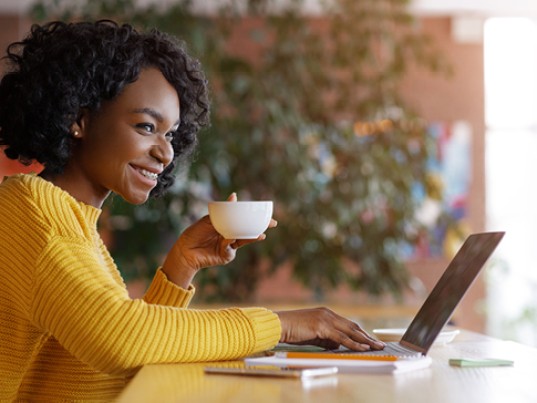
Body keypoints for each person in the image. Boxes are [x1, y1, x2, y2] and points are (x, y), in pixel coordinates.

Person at [0, 20, 384, 400]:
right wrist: (281, 325)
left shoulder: (74, 224)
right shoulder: (29, 208)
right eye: (146, 126)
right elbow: (117, 340)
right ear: (78, 119)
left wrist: (181, 265)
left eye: (170, 135)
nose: (165, 152)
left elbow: (114, 364)